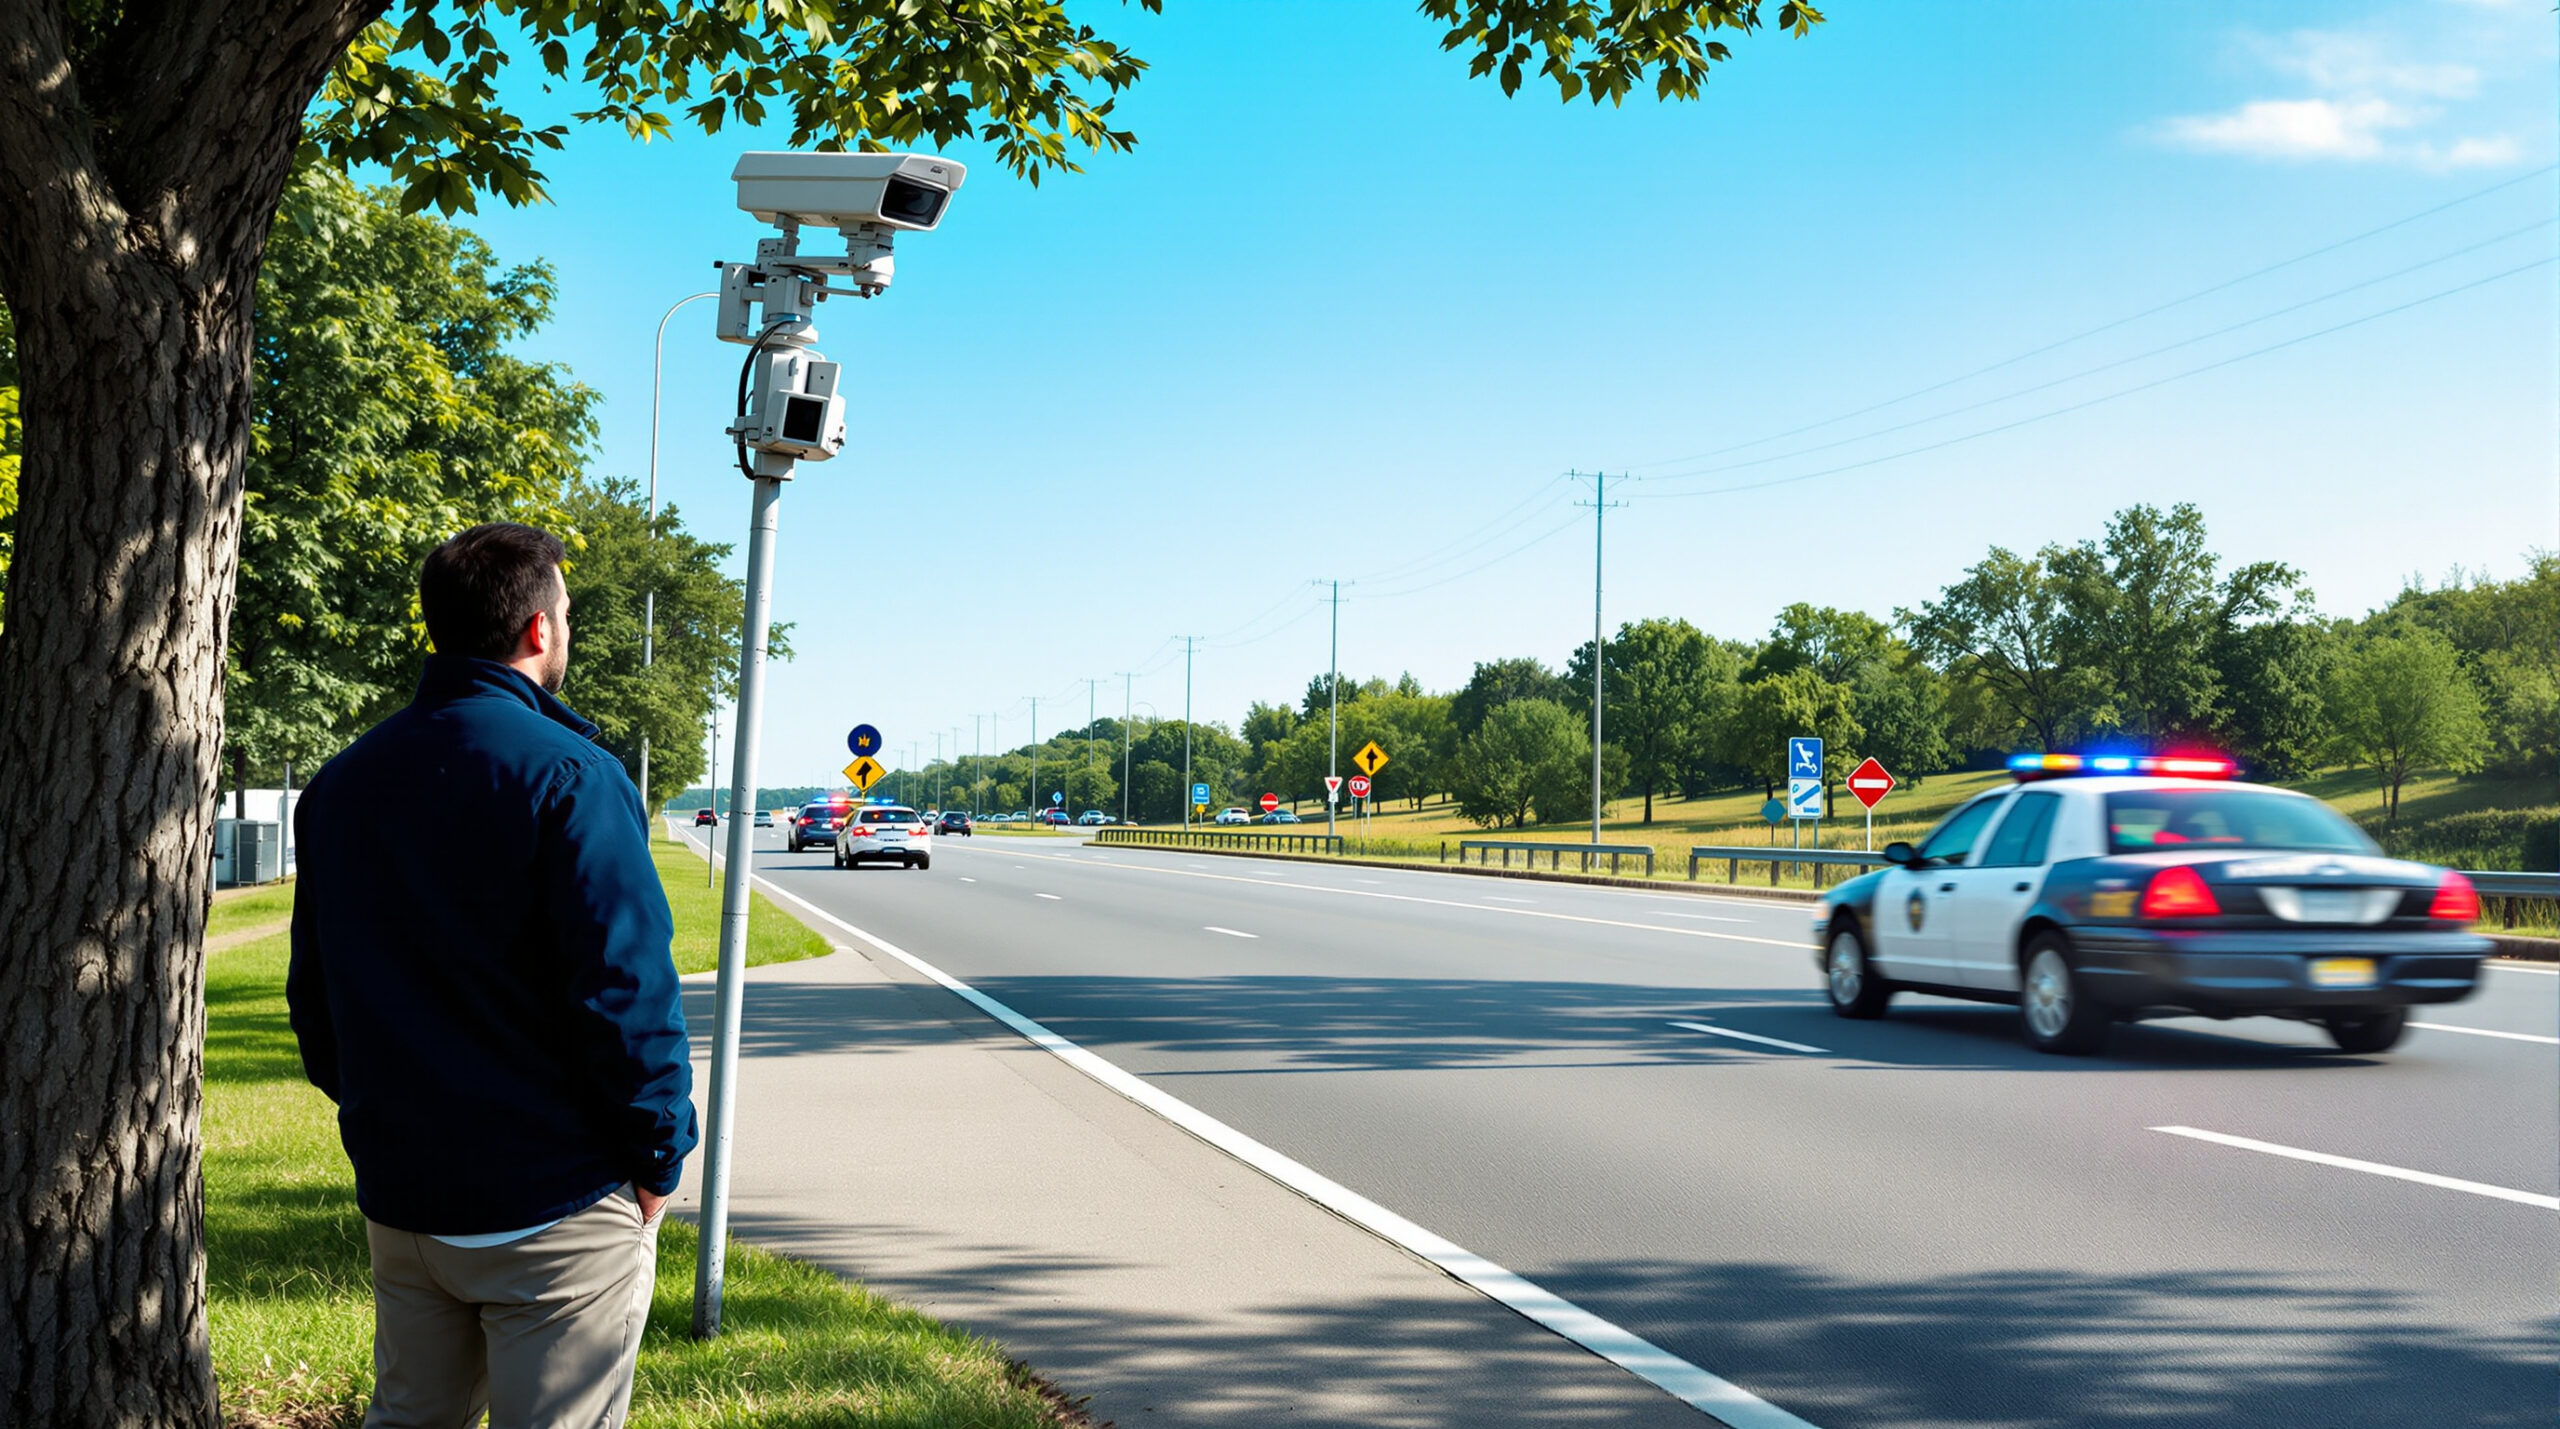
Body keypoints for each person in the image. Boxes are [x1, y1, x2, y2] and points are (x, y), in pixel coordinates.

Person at [288, 522, 696, 1428]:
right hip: (554, 1206)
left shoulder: (338, 786)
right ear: (539, 631)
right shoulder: (575, 776)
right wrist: (659, 1155)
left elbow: (315, 1003)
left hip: (407, 1203)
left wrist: (387, 1121)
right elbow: (628, 993)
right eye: (567, 615)